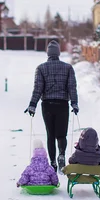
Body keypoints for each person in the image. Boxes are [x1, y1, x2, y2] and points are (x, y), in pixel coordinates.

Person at [25, 40, 78, 171]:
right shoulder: (68, 68)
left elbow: (38, 88)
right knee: (61, 134)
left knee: (50, 135)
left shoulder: (41, 68)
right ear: (58, 53)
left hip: (47, 105)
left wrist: (32, 105)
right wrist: (74, 103)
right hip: (62, 105)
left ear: (48, 53)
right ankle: (61, 155)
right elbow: (72, 87)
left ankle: (53, 162)